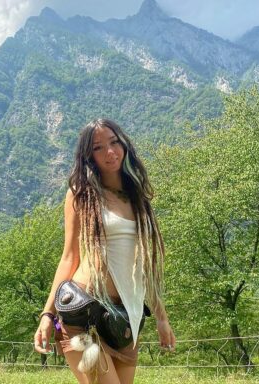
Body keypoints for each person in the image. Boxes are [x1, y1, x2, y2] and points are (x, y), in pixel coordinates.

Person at [34, 119, 176, 384]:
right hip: (85, 313)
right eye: (98, 147)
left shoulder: (137, 197)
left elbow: (144, 265)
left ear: (124, 144)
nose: (109, 152)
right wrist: (47, 315)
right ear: (89, 156)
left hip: (126, 317)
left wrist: (161, 318)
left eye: (114, 142)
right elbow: (69, 257)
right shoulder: (81, 194)